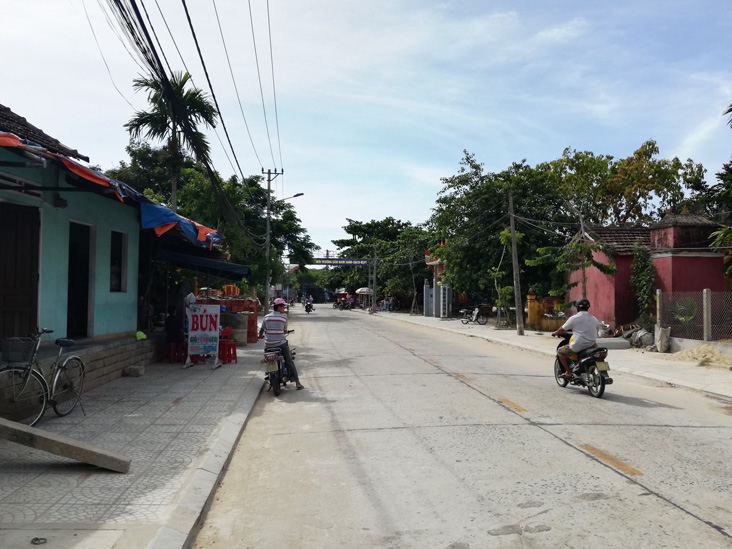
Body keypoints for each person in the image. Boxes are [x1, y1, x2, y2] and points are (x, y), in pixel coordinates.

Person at [259, 298, 304, 390]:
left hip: (268, 345)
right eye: (283, 307)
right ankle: (298, 383)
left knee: (268, 359)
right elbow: (284, 331)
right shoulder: (283, 318)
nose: (284, 308)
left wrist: (260, 336)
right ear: (279, 307)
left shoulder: (266, 317)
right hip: (281, 344)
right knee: (289, 361)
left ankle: (268, 374)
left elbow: (262, 330)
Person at [552, 297, 599, 377]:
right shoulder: (594, 319)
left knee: (560, 352)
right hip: (592, 345)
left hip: (579, 345)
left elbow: (562, 329)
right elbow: (597, 330)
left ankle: (568, 372)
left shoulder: (574, 318)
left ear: (577, 308)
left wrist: (556, 333)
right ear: (588, 307)